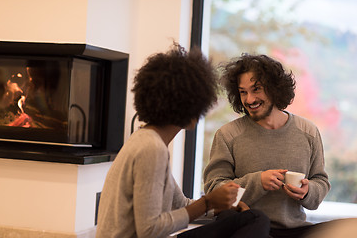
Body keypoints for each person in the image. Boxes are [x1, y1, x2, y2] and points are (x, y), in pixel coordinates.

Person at [96, 44, 270, 238]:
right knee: (257, 220)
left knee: (246, 218)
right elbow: (149, 230)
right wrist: (208, 202)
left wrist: (220, 205)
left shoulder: (145, 139)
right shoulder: (151, 149)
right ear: (192, 109)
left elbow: (180, 205)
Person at [203, 54, 331, 238]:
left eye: (256, 90)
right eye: (243, 92)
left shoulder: (308, 132)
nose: (249, 99)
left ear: (274, 89)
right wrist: (257, 182)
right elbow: (214, 192)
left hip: (294, 229)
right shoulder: (228, 135)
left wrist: (307, 190)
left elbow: (320, 180)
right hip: (248, 230)